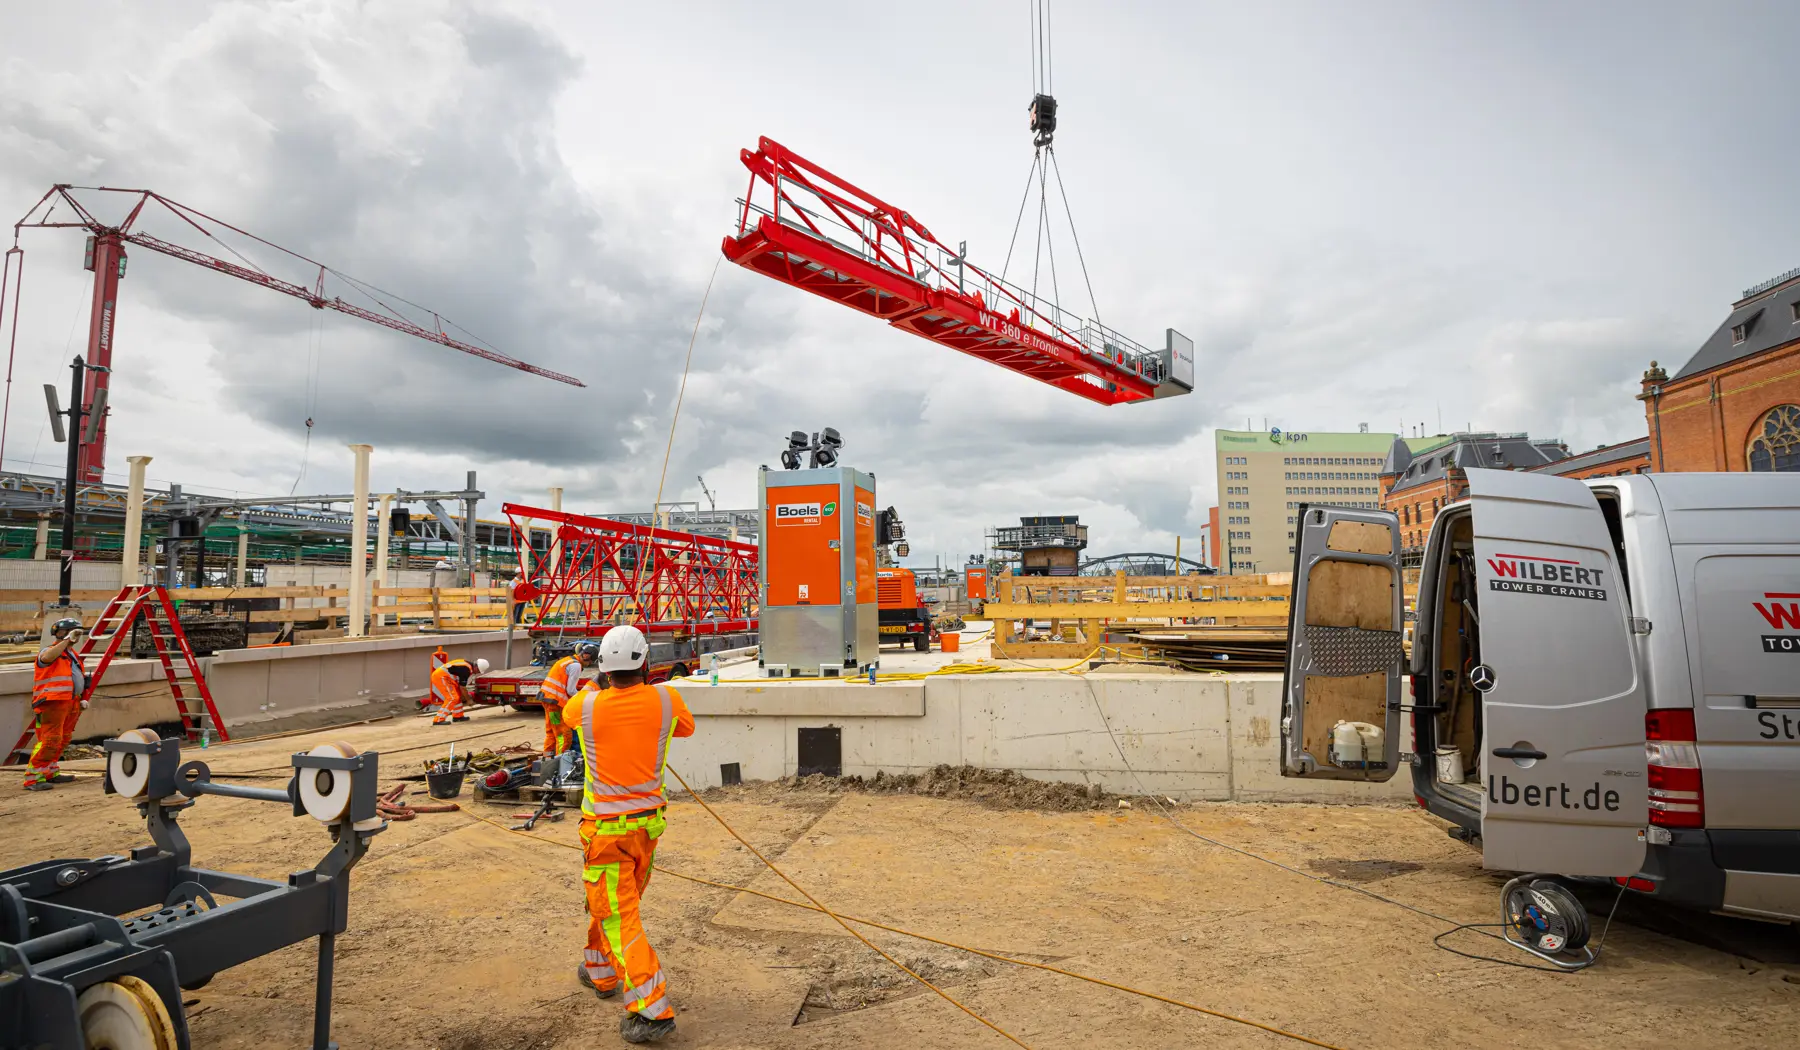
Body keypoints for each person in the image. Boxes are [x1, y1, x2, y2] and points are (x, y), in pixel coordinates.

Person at [562, 625, 693, 1045]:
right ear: (646, 663)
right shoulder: (666, 699)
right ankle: (600, 971)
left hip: (605, 835)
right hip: (646, 832)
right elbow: (685, 728)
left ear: (602, 666)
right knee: (616, 908)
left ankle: (652, 1010)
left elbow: (570, 712)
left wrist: (601, 686)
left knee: (620, 917)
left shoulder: (584, 706)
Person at [25, 617, 89, 792]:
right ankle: (33, 778)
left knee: (63, 739)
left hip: (70, 701)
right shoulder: (50, 651)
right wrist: (67, 640)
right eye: (69, 632)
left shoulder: (72, 655)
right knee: (50, 740)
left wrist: (81, 697)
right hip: (52, 703)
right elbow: (46, 658)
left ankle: (50, 771)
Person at [538, 641, 597, 756]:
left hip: (548, 700)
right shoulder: (576, 666)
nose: (589, 664)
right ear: (586, 656)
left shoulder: (567, 660)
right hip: (554, 704)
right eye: (590, 661)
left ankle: (547, 758)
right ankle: (561, 762)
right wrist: (583, 697)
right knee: (563, 735)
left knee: (552, 732)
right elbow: (571, 690)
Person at [430, 657, 490, 724]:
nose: (476, 673)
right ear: (476, 667)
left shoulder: (466, 665)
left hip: (447, 678)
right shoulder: (466, 670)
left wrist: (464, 696)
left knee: (458, 696)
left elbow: (461, 686)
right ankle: (438, 719)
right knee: (452, 698)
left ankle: (458, 716)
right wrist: (468, 700)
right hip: (441, 677)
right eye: (478, 671)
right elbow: (463, 688)